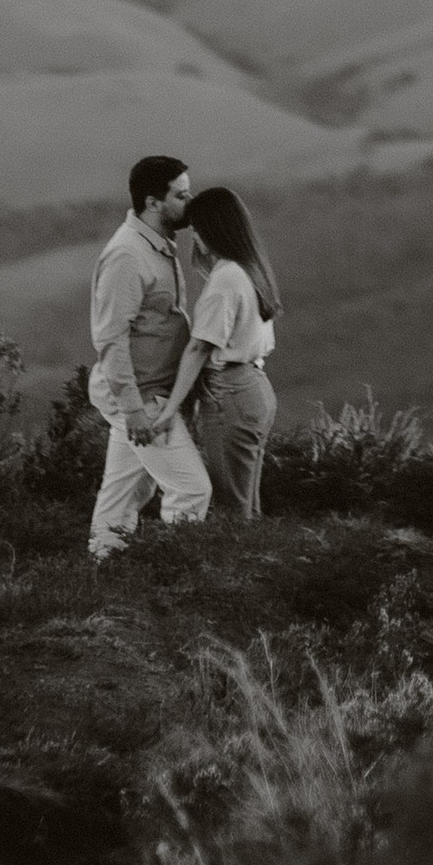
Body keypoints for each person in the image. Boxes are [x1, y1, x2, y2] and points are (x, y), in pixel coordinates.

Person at [86, 152, 212, 561]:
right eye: (181, 195)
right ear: (152, 202)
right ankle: (175, 570)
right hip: (139, 395)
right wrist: (133, 409)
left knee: (125, 491)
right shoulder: (127, 255)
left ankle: (101, 570)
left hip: (148, 390)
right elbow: (110, 337)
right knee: (192, 488)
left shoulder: (160, 247)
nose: (189, 204)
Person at [158, 184, 280, 520]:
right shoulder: (250, 269)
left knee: (230, 505)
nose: (194, 237)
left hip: (230, 392)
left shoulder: (226, 278)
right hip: (254, 386)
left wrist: (170, 409)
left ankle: (236, 570)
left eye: (196, 229)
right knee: (245, 503)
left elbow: (199, 348)